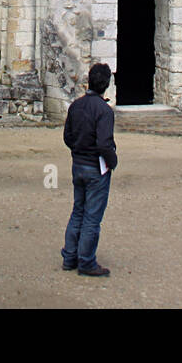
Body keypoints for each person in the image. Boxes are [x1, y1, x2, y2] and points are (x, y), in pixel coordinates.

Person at [61, 63, 118, 277]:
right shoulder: (104, 111)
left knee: (78, 211)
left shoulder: (76, 106)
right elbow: (104, 144)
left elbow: (67, 137)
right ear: (107, 85)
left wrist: (78, 151)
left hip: (78, 165)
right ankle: (86, 261)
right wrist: (113, 161)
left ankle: (70, 257)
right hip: (96, 168)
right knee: (92, 217)